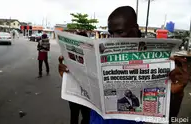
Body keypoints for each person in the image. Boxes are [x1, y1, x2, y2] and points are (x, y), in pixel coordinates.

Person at [59, 6, 189, 124]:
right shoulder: (100, 58)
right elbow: (88, 101)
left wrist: (178, 95)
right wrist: (72, 76)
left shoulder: (158, 64)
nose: (114, 38)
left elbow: (170, 117)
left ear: (136, 29)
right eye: (111, 33)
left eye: (120, 32)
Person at [59, 31, 90, 124]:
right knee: (74, 116)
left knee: (87, 117)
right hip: (74, 93)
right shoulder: (68, 55)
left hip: (88, 94)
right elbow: (63, 72)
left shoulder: (92, 56)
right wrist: (61, 68)